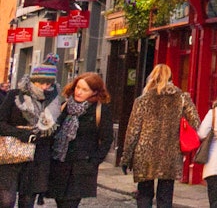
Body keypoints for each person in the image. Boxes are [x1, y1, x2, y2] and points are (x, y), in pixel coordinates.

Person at [122, 64, 201, 208]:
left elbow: (133, 132)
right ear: (171, 78)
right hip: (169, 153)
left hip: (145, 153)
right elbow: (196, 122)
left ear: (152, 77)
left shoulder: (142, 100)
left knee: (144, 195)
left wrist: (126, 158)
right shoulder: (181, 98)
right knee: (165, 197)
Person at [0, 57, 61, 208]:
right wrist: (23, 134)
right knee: (6, 201)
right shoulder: (15, 95)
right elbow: (1, 122)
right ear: (32, 80)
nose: (44, 87)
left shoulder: (53, 101)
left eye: (48, 84)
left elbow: (56, 130)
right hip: (11, 155)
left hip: (38, 158)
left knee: (27, 202)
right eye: (40, 83)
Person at [47, 72, 112, 208]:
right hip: (60, 164)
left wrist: (93, 162)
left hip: (81, 167)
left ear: (94, 92)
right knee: (61, 203)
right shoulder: (65, 106)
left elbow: (106, 139)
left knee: (70, 204)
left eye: (84, 89)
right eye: (78, 87)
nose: (79, 92)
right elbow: (53, 132)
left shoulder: (100, 110)